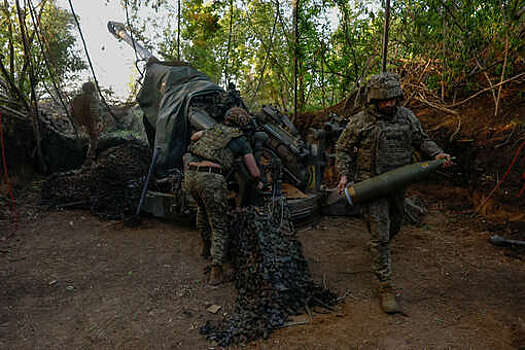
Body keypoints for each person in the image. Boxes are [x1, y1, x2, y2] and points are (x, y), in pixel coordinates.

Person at [335, 72, 452, 314]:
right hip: (372, 184)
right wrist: (344, 175)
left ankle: (380, 246)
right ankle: (385, 285)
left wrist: (437, 153)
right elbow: (343, 149)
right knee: (380, 234)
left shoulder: (407, 117)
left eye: (392, 100)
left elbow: (421, 140)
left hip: (398, 184)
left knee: (395, 225)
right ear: (374, 101)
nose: (389, 104)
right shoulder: (360, 121)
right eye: (383, 101)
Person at [183, 107, 263, 286]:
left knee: (202, 210)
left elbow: (193, 138)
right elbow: (254, 171)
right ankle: (217, 271)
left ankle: (205, 248)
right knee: (219, 224)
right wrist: (259, 180)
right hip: (210, 178)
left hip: (191, 175)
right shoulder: (240, 139)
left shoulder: (213, 129)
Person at [70, 82, 103, 167]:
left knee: (80, 141)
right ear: (92, 89)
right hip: (89, 123)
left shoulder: (76, 98)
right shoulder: (92, 99)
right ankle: (89, 161)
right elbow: (93, 113)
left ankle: (78, 159)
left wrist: (76, 123)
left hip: (78, 124)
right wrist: (98, 121)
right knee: (93, 140)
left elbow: (71, 112)